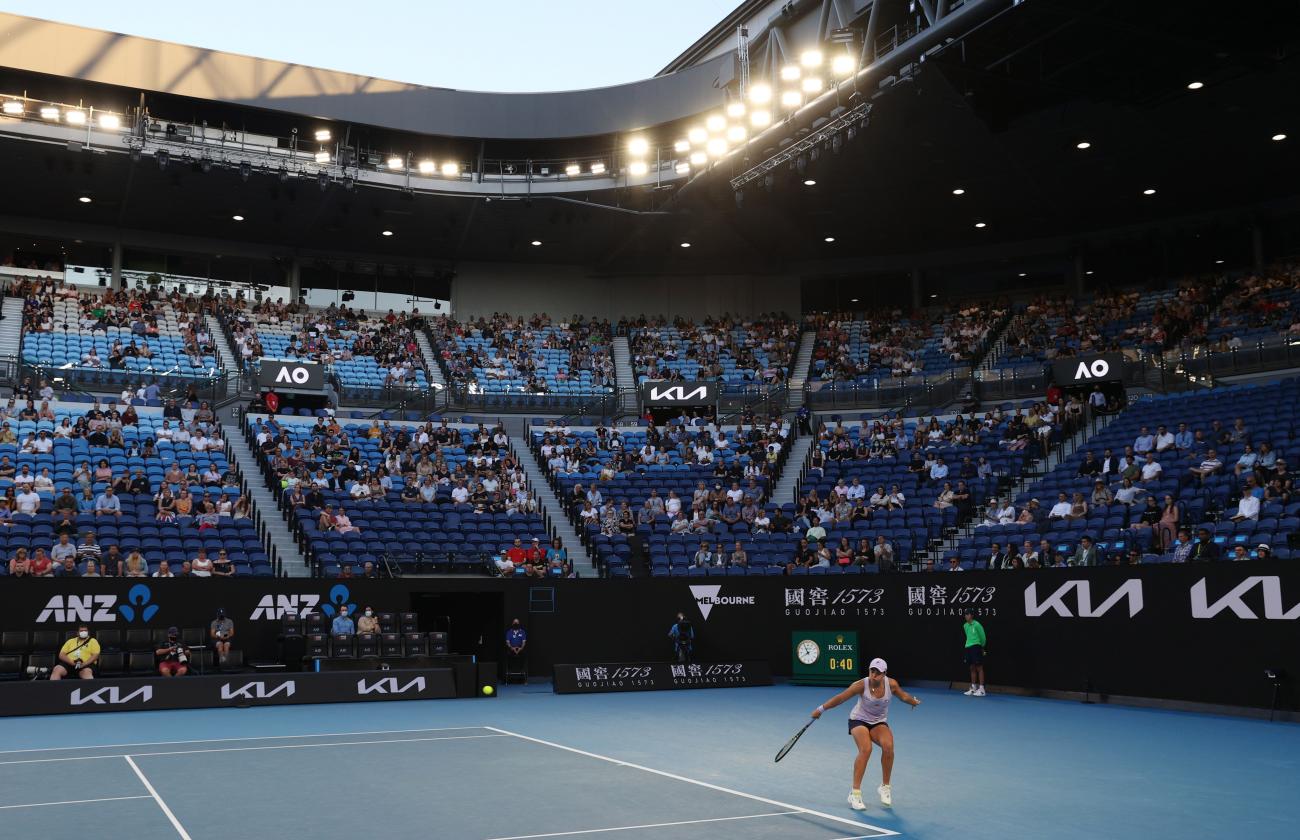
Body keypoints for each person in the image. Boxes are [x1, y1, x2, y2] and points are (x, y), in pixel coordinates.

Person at [810, 657, 920, 810]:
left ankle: (885, 787)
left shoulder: (891, 684)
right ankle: (855, 793)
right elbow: (841, 698)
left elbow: (903, 696)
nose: (874, 675)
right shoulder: (861, 685)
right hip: (858, 720)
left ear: (884, 674)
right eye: (872, 671)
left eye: (878, 672)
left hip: (878, 722)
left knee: (888, 746)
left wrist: (912, 702)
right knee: (866, 749)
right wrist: (820, 709)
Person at [962, 610, 987, 697]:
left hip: (976, 647)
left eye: (967, 614)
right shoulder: (965, 626)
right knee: (972, 667)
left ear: (972, 615)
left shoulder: (977, 625)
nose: (966, 616)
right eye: (965, 614)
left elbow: (982, 637)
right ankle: (973, 688)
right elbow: (968, 636)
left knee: (979, 667)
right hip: (968, 647)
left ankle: (982, 689)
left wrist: (982, 647)